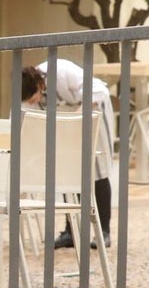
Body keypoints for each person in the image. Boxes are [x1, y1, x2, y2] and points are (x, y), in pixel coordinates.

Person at [22, 60, 115, 249]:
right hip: (68, 119)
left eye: (35, 97)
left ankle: (103, 232)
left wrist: (81, 113)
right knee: (67, 171)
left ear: (39, 85)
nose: (35, 102)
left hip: (93, 109)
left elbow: (99, 90)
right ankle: (72, 231)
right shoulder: (30, 91)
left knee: (97, 170)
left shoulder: (61, 71)